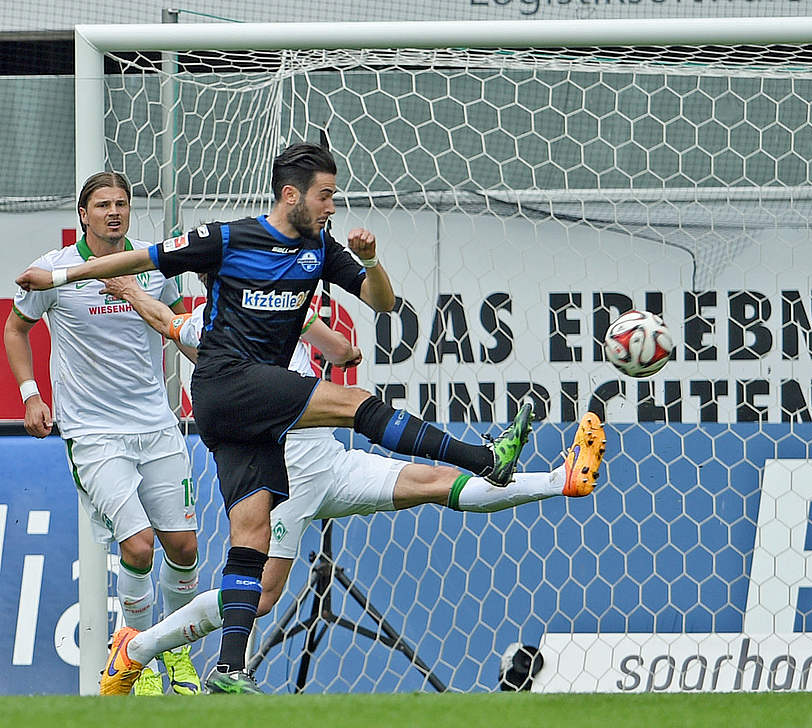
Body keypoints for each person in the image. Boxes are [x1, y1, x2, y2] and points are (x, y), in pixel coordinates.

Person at [17, 143, 535, 694]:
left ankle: (230, 668)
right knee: (354, 403)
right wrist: (58, 277)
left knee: (251, 538)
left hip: (248, 414)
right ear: (292, 195)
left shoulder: (320, 248)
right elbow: (140, 261)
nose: (333, 205)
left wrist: (372, 261)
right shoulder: (227, 238)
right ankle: (484, 458)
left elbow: (382, 304)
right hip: (225, 385)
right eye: (325, 195)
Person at [94, 277, 604, 694]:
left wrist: (307, 310)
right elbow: (168, 322)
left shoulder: (276, 310)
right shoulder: (210, 333)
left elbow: (345, 352)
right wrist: (134, 293)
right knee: (262, 596)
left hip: (331, 463)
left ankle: (560, 480)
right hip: (279, 482)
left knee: (434, 481)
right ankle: (135, 649)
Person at [3, 172, 202, 695]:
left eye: (122, 204)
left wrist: (208, 367)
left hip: (157, 426)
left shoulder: (156, 266)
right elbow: (16, 328)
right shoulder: (55, 270)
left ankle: (176, 654)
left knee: (182, 547)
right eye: (103, 205)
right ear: (83, 215)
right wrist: (30, 394)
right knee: (137, 546)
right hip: (93, 435)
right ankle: (132, 659)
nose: (114, 212)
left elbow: (182, 332)